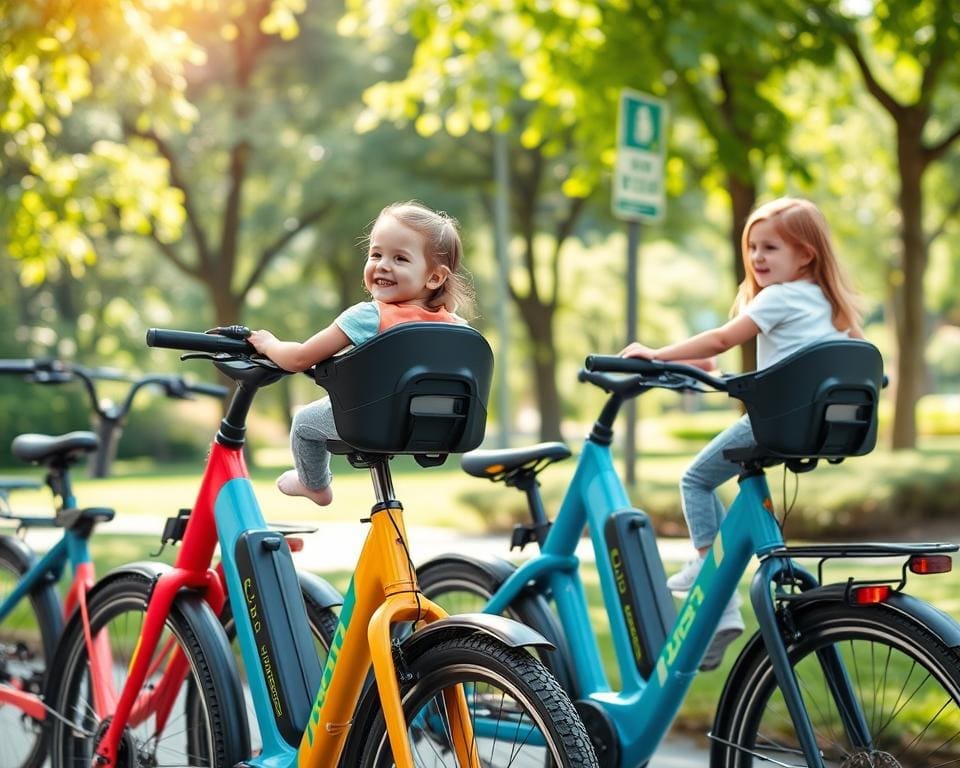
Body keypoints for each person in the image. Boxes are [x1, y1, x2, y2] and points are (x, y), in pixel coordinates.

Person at [621, 197, 863, 667]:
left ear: (805, 255)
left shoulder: (777, 297)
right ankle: (723, 594)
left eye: (770, 247)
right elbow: (834, 353)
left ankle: (709, 573)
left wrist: (656, 354)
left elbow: (723, 338)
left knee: (695, 478)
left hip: (774, 420)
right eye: (751, 247)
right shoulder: (828, 304)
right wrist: (704, 363)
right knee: (718, 480)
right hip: (809, 424)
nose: (756, 257)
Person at [249, 201, 473, 506]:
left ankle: (313, 484)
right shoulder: (456, 326)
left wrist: (268, 344)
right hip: (437, 423)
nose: (382, 265)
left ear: (434, 277)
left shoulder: (370, 316)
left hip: (375, 419)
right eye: (376, 254)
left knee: (303, 422)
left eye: (400, 258)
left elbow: (300, 358)